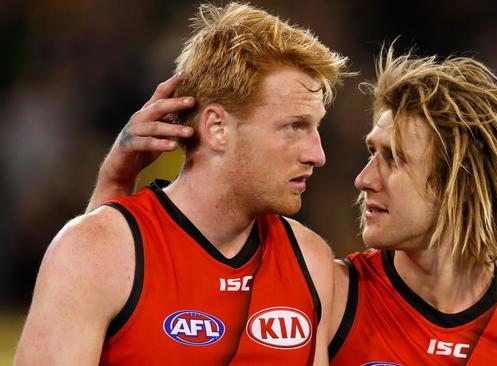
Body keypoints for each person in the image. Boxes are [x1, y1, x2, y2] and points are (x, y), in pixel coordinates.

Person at [85, 44, 497, 365]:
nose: (361, 180)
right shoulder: (328, 293)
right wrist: (115, 184)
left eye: (393, 160)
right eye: (369, 154)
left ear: (457, 186)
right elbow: (139, 310)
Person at [14, 3, 349, 365]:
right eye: (294, 127)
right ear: (217, 128)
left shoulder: (310, 260)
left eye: (316, 128)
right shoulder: (92, 250)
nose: (317, 155)